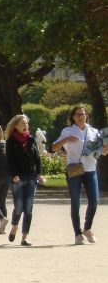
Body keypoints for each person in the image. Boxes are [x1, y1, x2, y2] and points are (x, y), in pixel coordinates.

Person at [52, 104, 106, 245]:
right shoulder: (68, 130)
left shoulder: (94, 132)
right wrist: (66, 139)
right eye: (77, 114)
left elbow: (103, 152)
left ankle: (87, 228)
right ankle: (78, 233)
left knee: (94, 201)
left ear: (86, 115)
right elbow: (54, 147)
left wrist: (105, 148)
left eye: (82, 114)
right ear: (73, 117)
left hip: (90, 169)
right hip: (74, 169)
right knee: (75, 202)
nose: (80, 117)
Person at [5, 114, 44, 246]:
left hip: (31, 177)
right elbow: (9, 161)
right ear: (16, 125)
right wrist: (13, 175)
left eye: (27, 123)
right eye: (23, 123)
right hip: (18, 178)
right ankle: (15, 226)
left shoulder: (32, 140)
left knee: (28, 208)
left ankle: (24, 237)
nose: (25, 125)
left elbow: (37, 158)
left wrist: (39, 174)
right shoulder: (11, 141)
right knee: (19, 206)